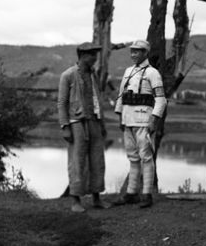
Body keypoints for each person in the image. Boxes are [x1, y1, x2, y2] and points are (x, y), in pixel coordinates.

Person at [114, 40, 167, 208]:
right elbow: (121, 95)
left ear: (145, 53)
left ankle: (146, 194)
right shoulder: (128, 72)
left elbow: (161, 100)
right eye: (132, 51)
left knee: (146, 156)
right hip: (128, 119)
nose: (133, 54)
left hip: (143, 120)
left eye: (137, 51)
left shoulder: (153, 73)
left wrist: (154, 119)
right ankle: (131, 193)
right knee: (132, 157)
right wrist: (120, 116)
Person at [57, 42, 109, 213]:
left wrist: (102, 124)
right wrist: (65, 126)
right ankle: (75, 200)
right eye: (91, 54)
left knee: (97, 160)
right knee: (77, 162)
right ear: (82, 55)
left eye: (96, 54)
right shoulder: (68, 75)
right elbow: (62, 103)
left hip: (94, 121)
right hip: (76, 123)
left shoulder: (94, 75)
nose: (95, 58)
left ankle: (96, 198)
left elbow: (97, 101)